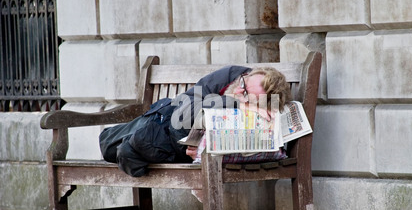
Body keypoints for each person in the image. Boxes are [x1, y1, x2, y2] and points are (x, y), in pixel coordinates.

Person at [99, 65, 292, 177]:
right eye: (244, 84)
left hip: (180, 145)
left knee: (130, 148)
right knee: (108, 143)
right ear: (247, 76)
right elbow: (187, 108)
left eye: (248, 97)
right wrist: (239, 104)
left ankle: (132, 151)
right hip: (167, 119)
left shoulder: (263, 114)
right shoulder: (233, 75)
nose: (240, 91)